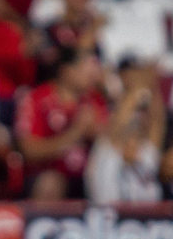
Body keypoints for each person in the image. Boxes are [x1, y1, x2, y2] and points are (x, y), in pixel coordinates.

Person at [16, 47, 107, 200]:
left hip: (88, 179)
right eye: (86, 68)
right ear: (66, 71)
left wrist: (99, 133)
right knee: (50, 183)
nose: (92, 75)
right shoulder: (36, 99)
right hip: (48, 176)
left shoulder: (95, 101)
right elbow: (28, 150)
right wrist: (75, 134)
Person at [85, 58, 165, 205]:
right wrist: (136, 86)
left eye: (143, 112)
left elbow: (158, 120)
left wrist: (152, 84)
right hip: (107, 223)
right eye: (137, 111)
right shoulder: (107, 147)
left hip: (146, 224)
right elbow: (118, 124)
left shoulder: (149, 152)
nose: (141, 117)